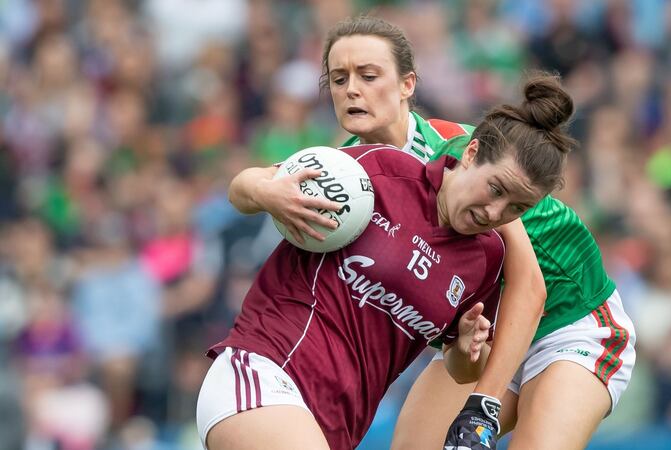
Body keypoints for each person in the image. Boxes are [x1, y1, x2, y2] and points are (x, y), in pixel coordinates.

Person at [232, 16, 635, 449]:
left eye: (369, 76)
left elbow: (530, 288)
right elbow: (249, 184)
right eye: (339, 78)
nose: (352, 90)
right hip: (483, 334)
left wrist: (483, 405)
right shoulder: (349, 170)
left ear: (407, 85)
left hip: (571, 322)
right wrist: (266, 193)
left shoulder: (460, 156)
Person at [198, 73, 575, 449]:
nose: (496, 212)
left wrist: (465, 349)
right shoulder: (382, 168)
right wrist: (269, 193)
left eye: (517, 208)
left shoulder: (487, 258)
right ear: (471, 153)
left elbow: (462, 370)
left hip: (337, 426)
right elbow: (243, 188)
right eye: (495, 189)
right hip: (265, 370)